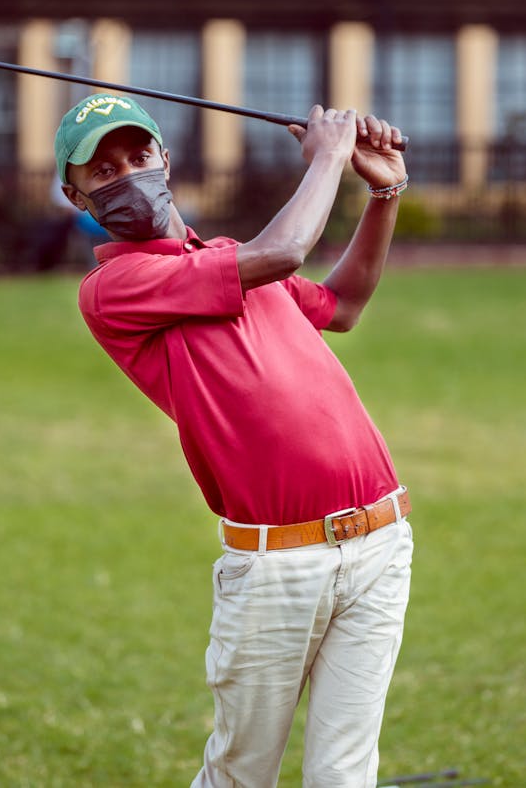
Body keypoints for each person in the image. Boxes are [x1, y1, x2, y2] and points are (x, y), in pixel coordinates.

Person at [55, 92, 413, 788]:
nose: (127, 175)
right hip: (276, 565)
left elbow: (343, 306)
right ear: (76, 196)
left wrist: (385, 190)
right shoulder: (114, 287)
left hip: (380, 541)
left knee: (345, 776)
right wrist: (332, 156)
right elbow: (284, 250)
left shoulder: (231, 257)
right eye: (102, 172)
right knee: (240, 775)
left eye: (138, 155)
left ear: (166, 159)